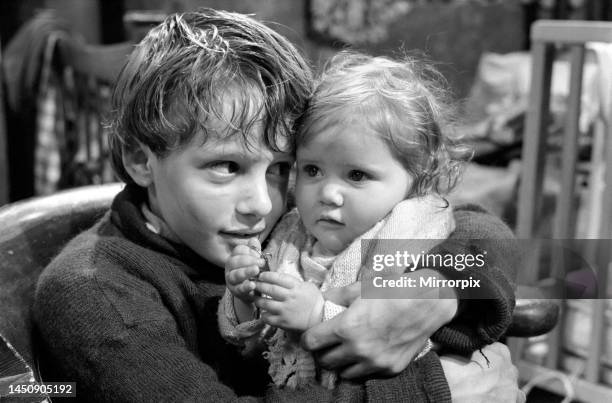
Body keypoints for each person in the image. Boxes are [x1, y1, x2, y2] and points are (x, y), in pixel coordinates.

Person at [33, 8, 522, 402]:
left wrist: (438, 287)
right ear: (141, 160)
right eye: (225, 166)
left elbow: (558, 260)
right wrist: (433, 391)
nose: (261, 203)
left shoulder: (292, 220)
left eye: (283, 168)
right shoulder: (96, 294)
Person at [219, 52, 469, 389]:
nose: (328, 194)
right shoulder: (291, 233)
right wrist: (245, 296)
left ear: (417, 175)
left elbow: (408, 340)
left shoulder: (411, 234)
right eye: (312, 170)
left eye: (356, 175)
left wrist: (318, 316)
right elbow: (251, 344)